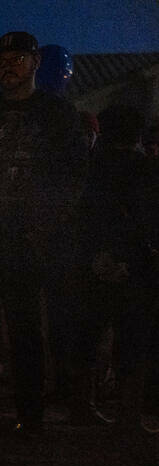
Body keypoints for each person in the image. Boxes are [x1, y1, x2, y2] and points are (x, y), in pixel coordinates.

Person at [0, 31, 87, 436]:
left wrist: (42, 228)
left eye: (17, 59)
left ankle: (30, 410)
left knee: (25, 328)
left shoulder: (58, 115)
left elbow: (73, 177)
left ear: (36, 62)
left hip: (26, 243)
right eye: (1, 61)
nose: (8, 67)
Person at [70, 105, 159, 434]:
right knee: (132, 340)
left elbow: (78, 217)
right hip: (135, 268)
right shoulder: (146, 169)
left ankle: (81, 407)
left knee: (88, 336)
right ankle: (129, 417)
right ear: (137, 134)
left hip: (91, 263)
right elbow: (148, 220)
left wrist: (96, 256)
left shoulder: (89, 167)